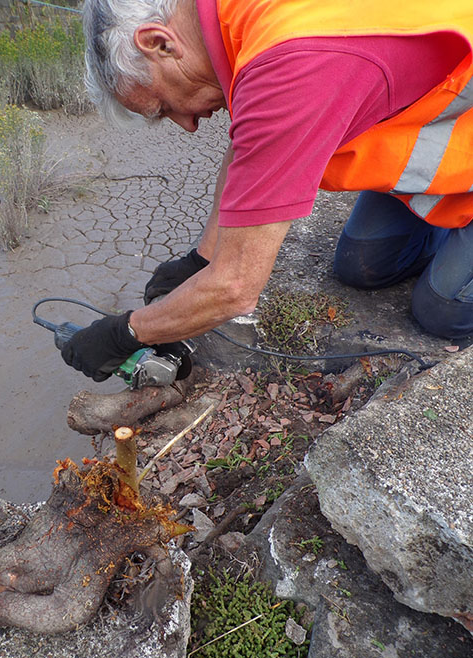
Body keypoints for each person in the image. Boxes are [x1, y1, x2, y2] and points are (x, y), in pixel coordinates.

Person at [61, 0, 473, 382]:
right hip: (443, 123)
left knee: (440, 308)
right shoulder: (234, 18)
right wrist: (200, 258)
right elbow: (250, 136)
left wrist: (126, 332)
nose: (187, 125)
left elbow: (236, 287)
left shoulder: (295, 65)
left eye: (164, 106)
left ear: (158, 42)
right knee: (361, 266)